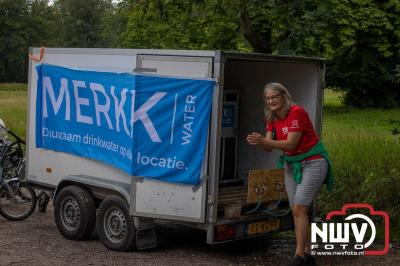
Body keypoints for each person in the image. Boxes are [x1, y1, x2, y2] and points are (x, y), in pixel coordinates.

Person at [246, 82, 333, 266]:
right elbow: (269, 148)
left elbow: (291, 144)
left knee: (300, 209)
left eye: (274, 97)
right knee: (297, 211)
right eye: (268, 98)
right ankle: (308, 254)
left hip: (313, 162)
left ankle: (299, 256)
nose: (271, 101)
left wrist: (265, 141)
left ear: (284, 96)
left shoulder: (296, 112)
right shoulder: (272, 117)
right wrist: (259, 141)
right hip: (292, 165)